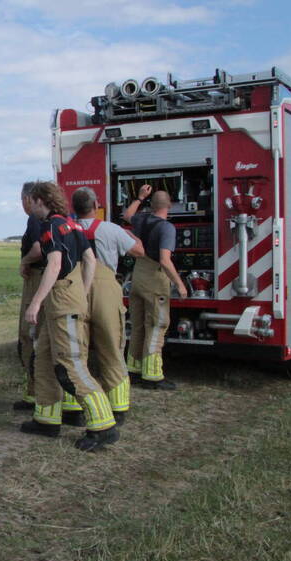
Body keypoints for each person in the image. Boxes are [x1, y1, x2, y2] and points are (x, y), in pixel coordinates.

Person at [21, 182, 120, 452]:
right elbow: (89, 260)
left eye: (30, 200)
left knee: (70, 365)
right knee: (43, 359)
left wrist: (36, 303)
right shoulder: (73, 225)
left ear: (40, 200)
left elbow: (53, 264)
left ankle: (103, 426)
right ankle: (46, 419)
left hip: (61, 300)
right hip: (70, 297)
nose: (28, 206)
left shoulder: (51, 227)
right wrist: (83, 293)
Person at [73, 187, 145, 423]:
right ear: (96, 206)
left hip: (74, 291)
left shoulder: (66, 229)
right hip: (106, 290)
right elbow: (138, 252)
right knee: (112, 348)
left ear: (74, 208)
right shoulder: (111, 229)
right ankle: (118, 407)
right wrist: (133, 235)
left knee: (76, 351)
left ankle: (76, 406)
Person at [122, 185, 188, 390]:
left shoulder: (141, 219)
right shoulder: (167, 228)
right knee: (157, 325)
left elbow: (127, 215)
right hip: (155, 279)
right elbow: (164, 260)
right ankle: (152, 376)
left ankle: (133, 369)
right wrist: (179, 284)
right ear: (170, 205)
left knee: (139, 324)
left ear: (151, 205)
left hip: (138, 276)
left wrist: (139, 197)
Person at [14, 181, 44, 411]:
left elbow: (37, 248)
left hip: (36, 279)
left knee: (28, 336)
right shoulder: (56, 219)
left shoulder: (34, 219)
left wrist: (24, 261)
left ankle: (34, 393)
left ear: (27, 199)